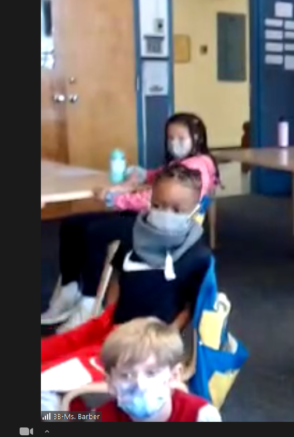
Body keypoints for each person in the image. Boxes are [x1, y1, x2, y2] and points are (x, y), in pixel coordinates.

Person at [41, 166, 215, 412]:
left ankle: (75, 422)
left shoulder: (197, 256)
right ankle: (75, 416)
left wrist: (164, 337)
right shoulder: (135, 237)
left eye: (177, 209)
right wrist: (110, 311)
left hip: (143, 347)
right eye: (158, 205)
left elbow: (190, 307)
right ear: (150, 202)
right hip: (110, 327)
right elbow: (118, 278)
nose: (166, 213)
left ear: (195, 210)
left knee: (42, 384)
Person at [42, 113, 218, 332]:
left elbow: (156, 199)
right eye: (170, 138)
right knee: (72, 224)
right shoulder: (187, 163)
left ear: (197, 138)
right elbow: (164, 177)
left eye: (181, 138)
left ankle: (88, 303)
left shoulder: (196, 167)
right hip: (149, 218)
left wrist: (117, 198)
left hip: (160, 228)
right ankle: (70, 289)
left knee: (94, 232)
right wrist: (145, 175)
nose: (174, 143)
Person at [92, 318, 221, 421]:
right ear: (110, 382)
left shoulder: (202, 416)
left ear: (174, 376)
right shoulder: (97, 417)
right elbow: (74, 418)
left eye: (151, 373)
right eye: (126, 375)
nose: (140, 385)